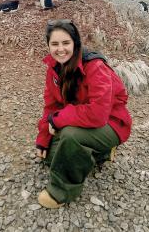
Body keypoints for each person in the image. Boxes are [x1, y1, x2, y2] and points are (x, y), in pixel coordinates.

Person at [36, 19, 132, 208]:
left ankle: (61, 192)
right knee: (52, 155)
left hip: (111, 123)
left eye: (66, 43)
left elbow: (98, 113)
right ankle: (101, 153)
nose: (60, 49)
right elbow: (51, 106)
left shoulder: (94, 66)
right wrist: (43, 138)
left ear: (75, 43)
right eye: (54, 44)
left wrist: (59, 120)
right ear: (48, 46)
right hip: (81, 119)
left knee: (71, 137)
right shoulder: (54, 69)